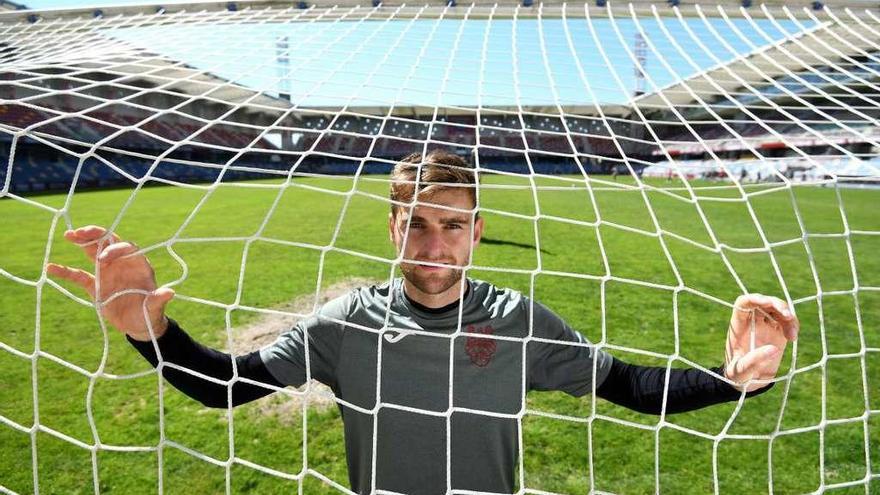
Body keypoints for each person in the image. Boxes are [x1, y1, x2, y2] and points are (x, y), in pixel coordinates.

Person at [47, 150, 799, 494]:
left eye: (451, 226)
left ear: (476, 231)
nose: (433, 245)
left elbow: (630, 385)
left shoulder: (518, 319)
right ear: (392, 227)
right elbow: (226, 387)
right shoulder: (346, 322)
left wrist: (735, 382)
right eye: (416, 225)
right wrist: (148, 330)